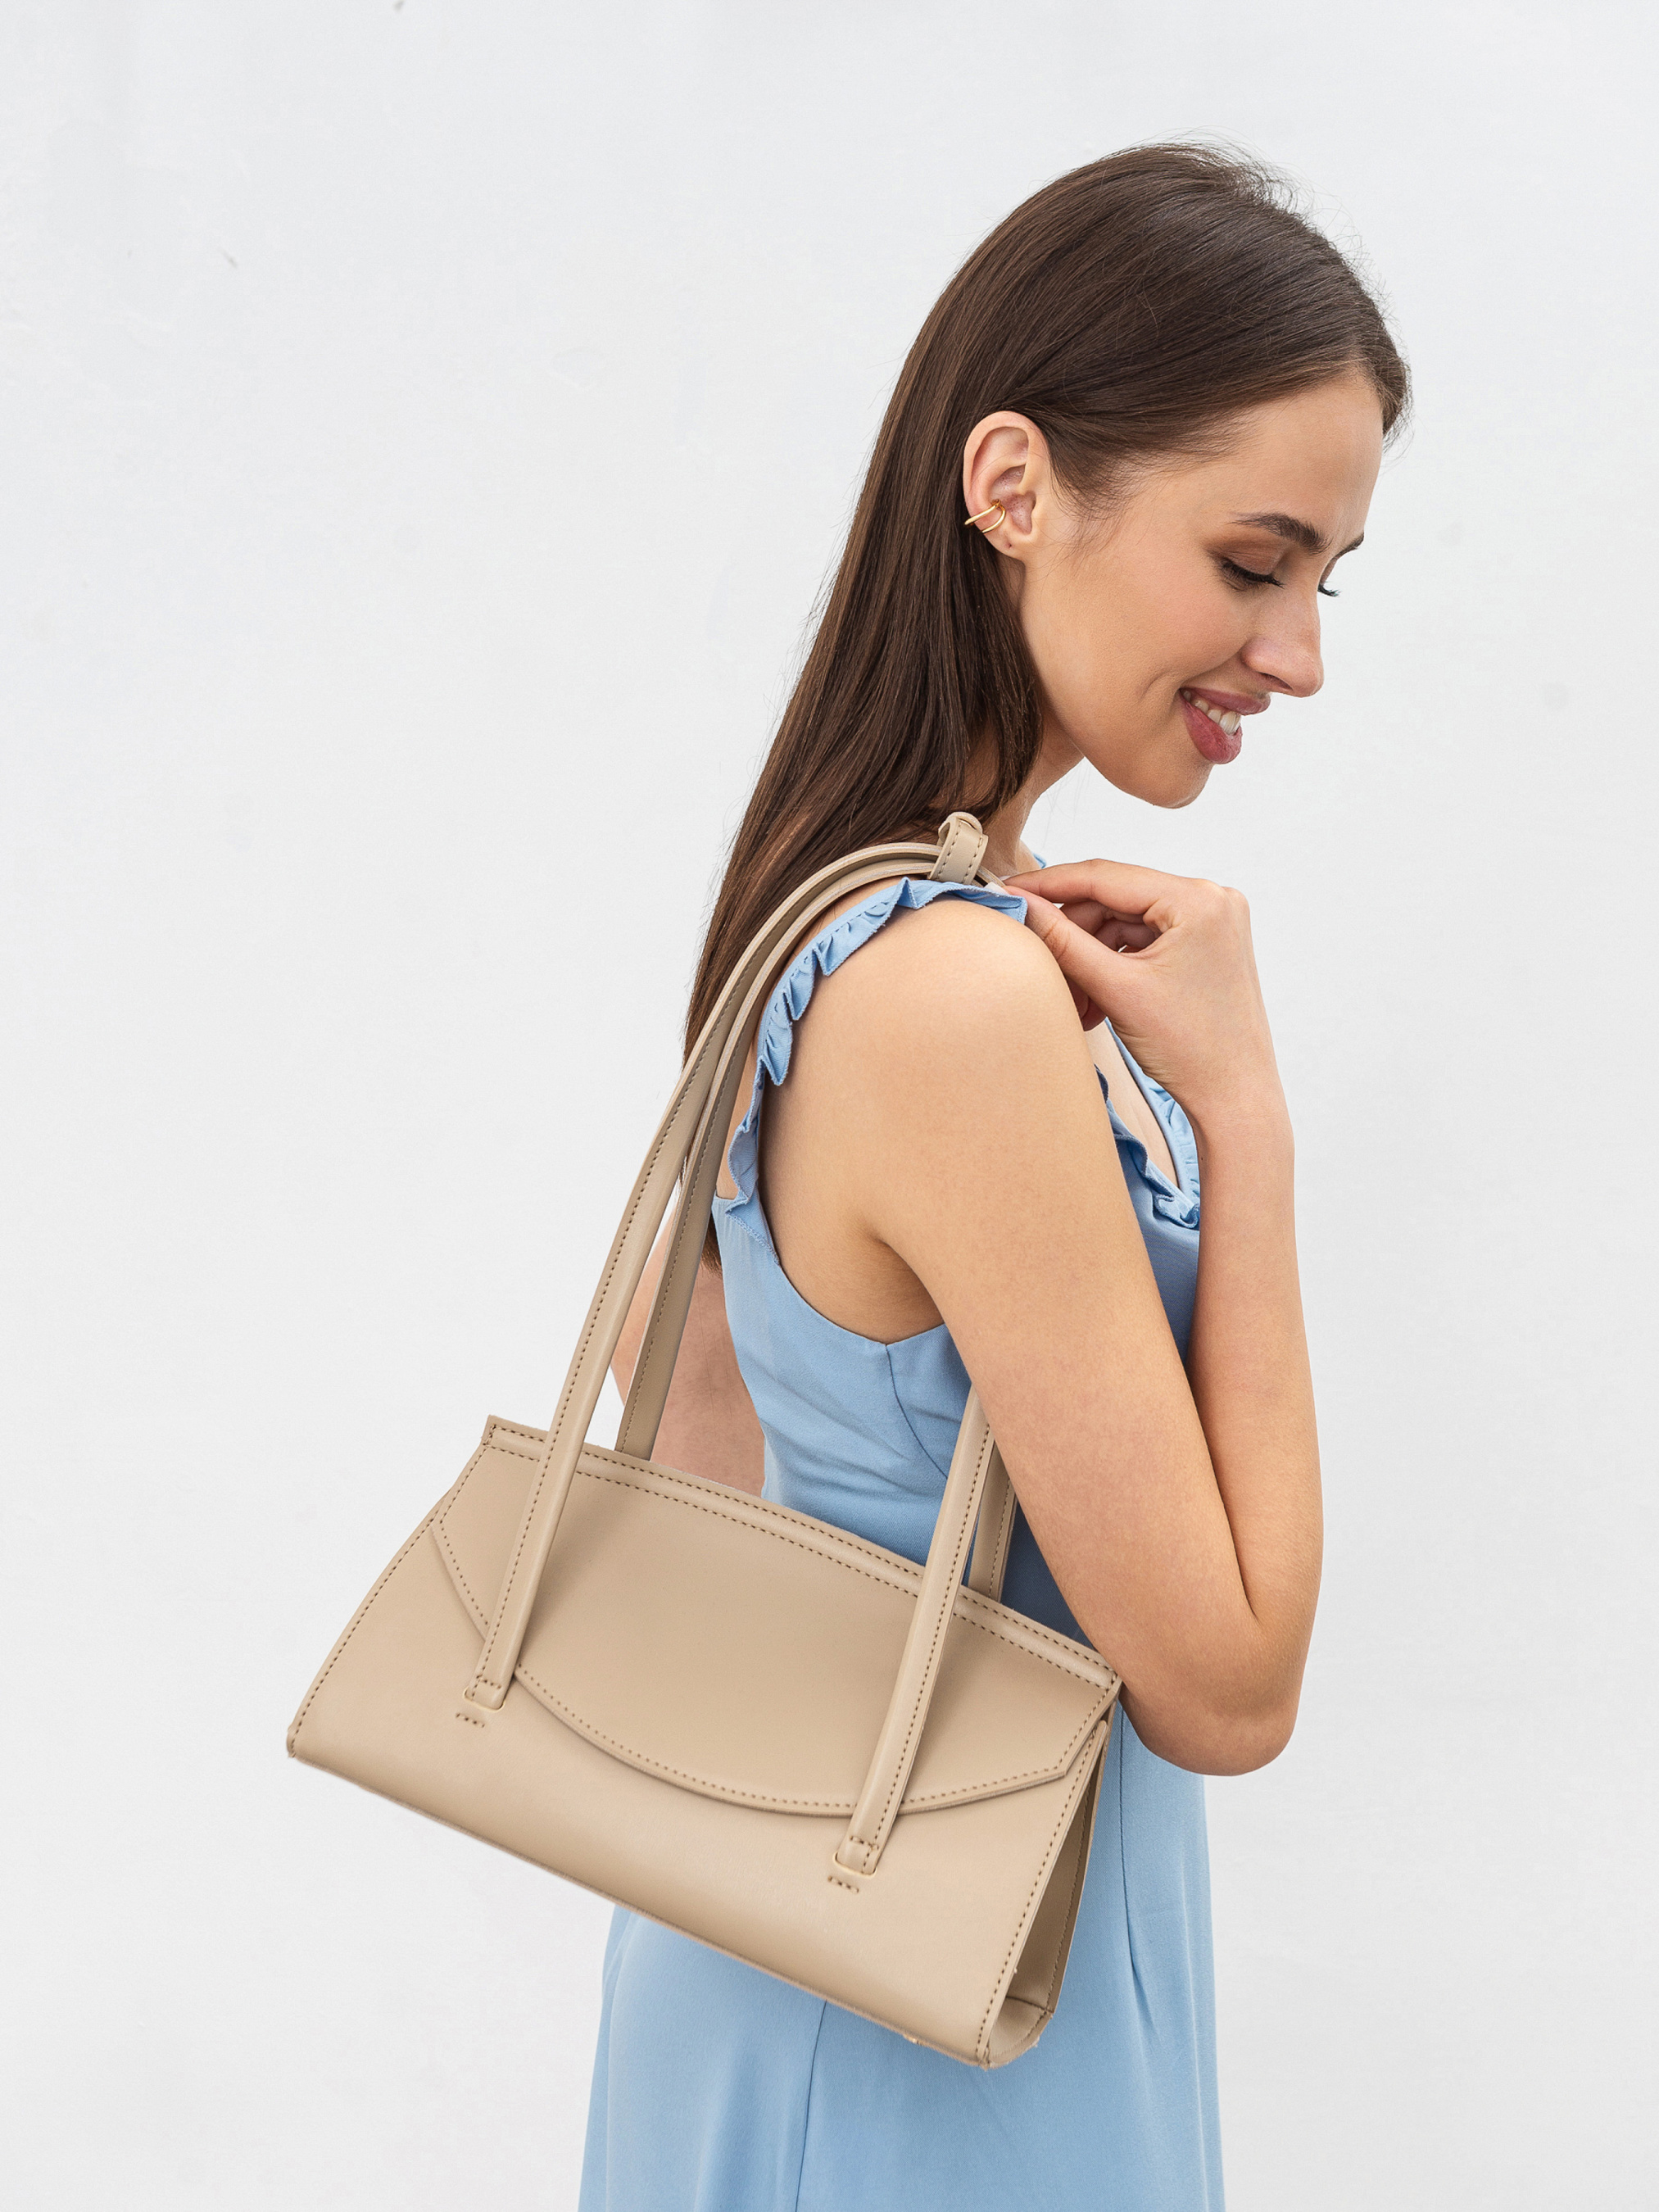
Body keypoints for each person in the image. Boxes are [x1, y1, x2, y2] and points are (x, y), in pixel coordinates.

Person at [580, 143, 1408, 2211]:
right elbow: (1221, 1686)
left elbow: (699, 1442)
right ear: (1015, 486)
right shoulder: (952, 995)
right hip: (924, 2014)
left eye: (1323, 581)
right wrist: (1244, 1122)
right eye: (1251, 560)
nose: (1296, 653)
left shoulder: (850, 913)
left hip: (864, 1936)